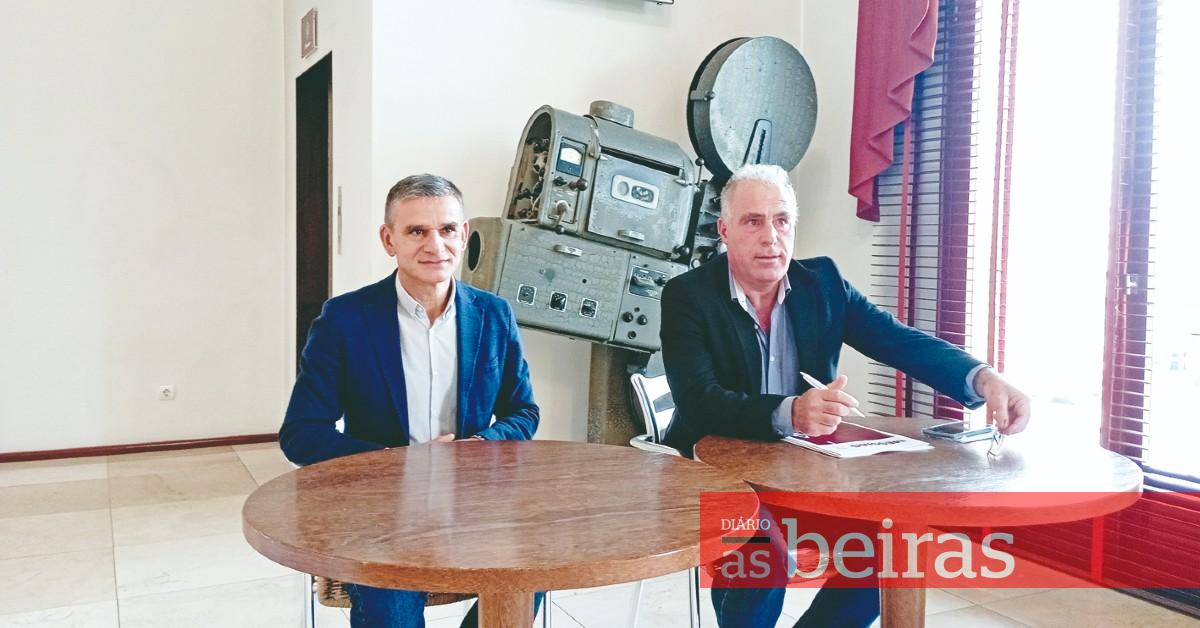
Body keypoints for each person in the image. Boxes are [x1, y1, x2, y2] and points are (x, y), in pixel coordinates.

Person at [659, 164, 1031, 627]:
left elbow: (897, 340)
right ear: (724, 230)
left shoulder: (823, 284)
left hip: (798, 472)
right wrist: (791, 412)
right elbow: (699, 401)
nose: (770, 237)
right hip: (712, 474)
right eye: (753, 221)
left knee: (889, 549)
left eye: (781, 220)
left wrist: (984, 379)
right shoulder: (687, 296)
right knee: (763, 560)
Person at [280, 173, 542, 627]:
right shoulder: (344, 319)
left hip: (473, 503)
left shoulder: (494, 314)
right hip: (380, 511)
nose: (435, 245)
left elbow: (523, 412)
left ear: (464, 234)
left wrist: (477, 447)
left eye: (447, 229)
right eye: (417, 231)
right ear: (389, 240)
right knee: (394, 614)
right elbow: (301, 434)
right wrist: (399, 463)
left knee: (540, 564)